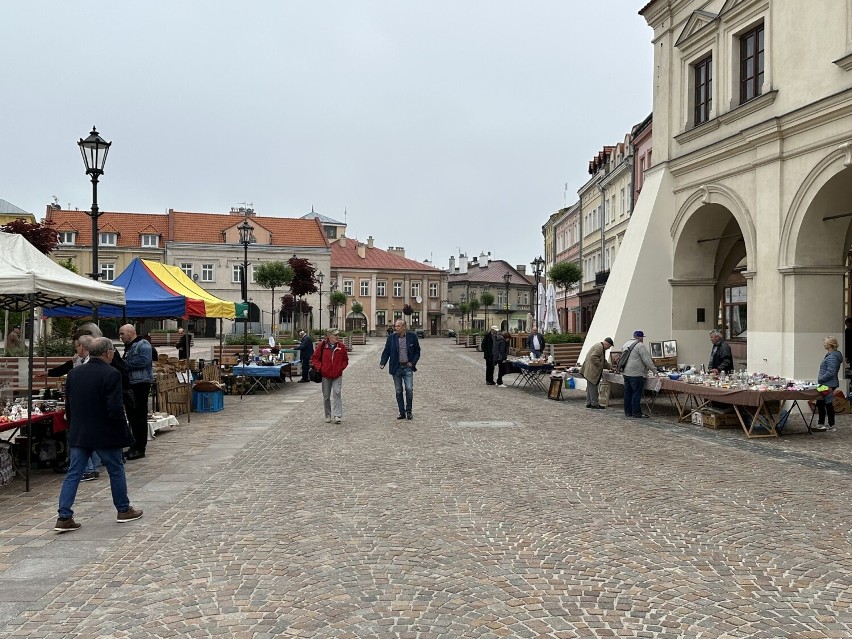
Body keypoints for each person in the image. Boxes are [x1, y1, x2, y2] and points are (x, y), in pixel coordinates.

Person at [54, 337, 143, 533]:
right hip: (104, 431)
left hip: (80, 431)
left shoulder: (74, 373)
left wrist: (73, 426)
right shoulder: (111, 373)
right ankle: (123, 509)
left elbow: (69, 404)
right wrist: (124, 433)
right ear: (108, 353)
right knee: (116, 469)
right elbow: (115, 407)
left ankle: (64, 515)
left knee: (74, 473)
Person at [119, 324, 154, 460]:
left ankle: (140, 448)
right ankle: (134, 446)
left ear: (130, 332)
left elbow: (144, 361)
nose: (120, 337)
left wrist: (123, 364)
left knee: (139, 417)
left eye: (122, 334)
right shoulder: (130, 346)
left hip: (140, 384)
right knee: (132, 417)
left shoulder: (142, 344)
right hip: (131, 384)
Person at [380, 319, 421, 419]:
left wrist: (413, 362)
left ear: (404, 327)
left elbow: (417, 351)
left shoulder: (412, 337)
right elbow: (386, 352)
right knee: (398, 391)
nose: (396, 328)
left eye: (398, 326)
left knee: (409, 389)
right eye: (396, 326)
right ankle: (401, 412)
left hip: (408, 367)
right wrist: (383, 363)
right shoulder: (391, 338)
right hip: (396, 367)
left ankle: (409, 411)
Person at [311, 329, 349, 423]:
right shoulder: (323, 346)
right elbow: (315, 358)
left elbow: (345, 360)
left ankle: (337, 415)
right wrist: (320, 368)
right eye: (335, 335)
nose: (337, 337)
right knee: (326, 396)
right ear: (329, 336)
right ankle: (328, 415)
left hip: (337, 375)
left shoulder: (341, 346)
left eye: (338, 335)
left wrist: (341, 368)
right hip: (326, 375)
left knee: (337, 393)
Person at [619, 330, 657, 419]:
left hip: (626, 373)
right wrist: (655, 371)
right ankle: (636, 413)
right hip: (636, 374)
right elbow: (647, 360)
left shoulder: (626, 344)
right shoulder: (640, 346)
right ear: (640, 337)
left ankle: (628, 412)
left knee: (628, 393)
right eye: (643, 337)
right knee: (636, 393)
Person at [814, 336, 843, 432]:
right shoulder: (830, 355)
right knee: (822, 402)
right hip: (826, 383)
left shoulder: (832, 357)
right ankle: (823, 423)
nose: (824, 344)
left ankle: (829, 424)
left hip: (828, 383)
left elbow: (831, 372)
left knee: (826, 403)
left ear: (831, 344)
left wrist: (821, 379)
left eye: (826, 342)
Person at [580, 337, 614, 409]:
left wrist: (610, 367)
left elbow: (603, 360)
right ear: (607, 344)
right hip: (592, 371)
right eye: (609, 346)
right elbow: (594, 357)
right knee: (593, 387)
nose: (608, 348)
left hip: (589, 370)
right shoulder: (599, 347)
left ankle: (589, 403)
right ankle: (594, 404)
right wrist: (599, 365)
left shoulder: (600, 346)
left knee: (590, 387)